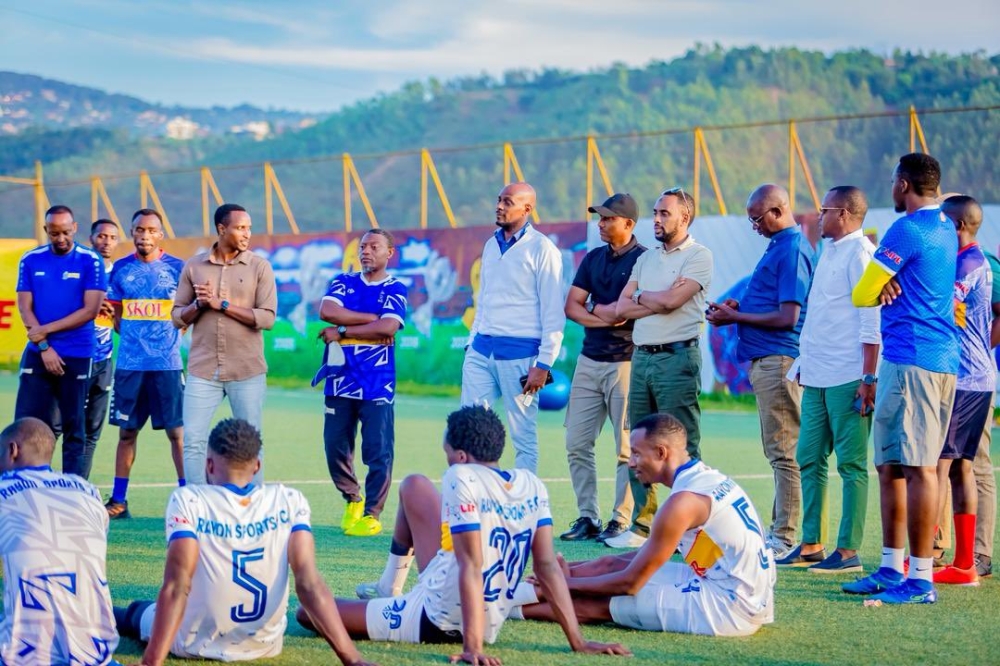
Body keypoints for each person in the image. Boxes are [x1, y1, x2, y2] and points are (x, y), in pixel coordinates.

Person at [312, 406, 630, 664]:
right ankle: (388, 586)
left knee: (311, 611)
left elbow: (471, 566)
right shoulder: (530, 483)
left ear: (462, 456)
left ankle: (402, 604)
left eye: (447, 451)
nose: (447, 458)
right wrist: (578, 641)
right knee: (414, 485)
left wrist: (472, 647)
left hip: (440, 618)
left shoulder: (459, 476)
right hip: (470, 597)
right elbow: (546, 567)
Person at [114, 418, 376, 666]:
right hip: (264, 645)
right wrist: (352, 659)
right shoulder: (289, 500)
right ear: (257, 467)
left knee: (137, 611)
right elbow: (309, 584)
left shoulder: (188, 500)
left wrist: (151, 662)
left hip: (192, 643)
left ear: (209, 465)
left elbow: (177, 586)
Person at [519, 413, 776, 638]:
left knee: (599, 604)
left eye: (637, 453)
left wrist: (561, 584)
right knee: (608, 564)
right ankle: (512, 591)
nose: (631, 463)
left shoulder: (682, 503)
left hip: (732, 607)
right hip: (735, 585)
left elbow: (629, 584)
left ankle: (502, 607)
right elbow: (642, 559)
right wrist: (562, 572)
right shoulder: (707, 478)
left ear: (661, 453)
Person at [847, 152, 958, 604]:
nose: (891, 189)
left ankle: (921, 578)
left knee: (917, 467)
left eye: (894, 182)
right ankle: (892, 568)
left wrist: (880, 285)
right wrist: (885, 283)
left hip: (916, 361)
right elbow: (876, 287)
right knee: (890, 465)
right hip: (907, 358)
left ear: (904, 185)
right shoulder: (946, 226)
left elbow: (861, 292)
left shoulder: (907, 228)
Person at [707, 184, 815, 559]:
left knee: (784, 451)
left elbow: (789, 316)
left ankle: (785, 536)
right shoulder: (779, 246)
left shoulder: (793, 248)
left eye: (757, 218)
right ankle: (792, 532)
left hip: (779, 358)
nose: (753, 226)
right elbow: (772, 302)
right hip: (767, 359)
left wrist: (736, 315)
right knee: (781, 450)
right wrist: (740, 306)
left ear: (777, 211)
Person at [777, 186, 879, 573]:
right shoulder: (829, 251)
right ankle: (811, 543)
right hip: (817, 372)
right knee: (808, 457)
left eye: (825, 210)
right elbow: (822, 314)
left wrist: (868, 377)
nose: (818, 216)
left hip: (849, 375)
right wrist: (804, 360)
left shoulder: (861, 253)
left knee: (851, 464)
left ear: (846, 214)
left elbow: (871, 320)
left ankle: (849, 551)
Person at [611, 187, 714, 549]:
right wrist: (649, 300)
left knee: (683, 441)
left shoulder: (699, 256)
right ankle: (643, 526)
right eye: (654, 212)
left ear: (684, 217)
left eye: (664, 213)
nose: (656, 219)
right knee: (639, 440)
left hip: (677, 358)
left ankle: (693, 529)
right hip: (642, 358)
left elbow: (673, 302)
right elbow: (622, 308)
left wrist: (646, 299)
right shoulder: (646, 259)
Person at [461, 182, 565, 473]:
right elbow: (483, 298)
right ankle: (474, 497)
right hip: (481, 351)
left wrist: (544, 364)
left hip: (521, 356)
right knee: (470, 428)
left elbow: (553, 311)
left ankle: (524, 506)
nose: (499, 206)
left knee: (523, 437)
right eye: (498, 200)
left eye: (508, 202)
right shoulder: (490, 244)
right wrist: (472, 341)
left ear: (527, 209)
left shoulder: (543, 249)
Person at [560, 193, 645, 543]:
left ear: (628, 223)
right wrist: (602, 316)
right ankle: (587, 517)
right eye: (600, 218)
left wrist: (599, 311)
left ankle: (620, 520)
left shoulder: (645, 261)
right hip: (589, 360)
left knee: (626, 449)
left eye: (608, 218)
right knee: (576, 442)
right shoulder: (593, 258)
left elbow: (623, 312)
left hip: (626, 362)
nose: (601, 223)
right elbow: (571, 306)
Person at [172, 203, 277, 485]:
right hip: (203, 370)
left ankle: (252, 505)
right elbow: (176, 317)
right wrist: (199, 305)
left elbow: (267, 319)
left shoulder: (259, 267)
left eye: (249, 228)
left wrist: (222, 305)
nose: (247, 234)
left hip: (247, 370)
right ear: (222, 229)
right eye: (241, 228)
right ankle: (196, 505)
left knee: (252, 441)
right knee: (193, 439)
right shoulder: (193, 266)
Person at [0, 417, 119, 665]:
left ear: (12, 450)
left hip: (24, 655)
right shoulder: (87, 490)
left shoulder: (3, 489)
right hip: (95, 653)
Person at [315, 228, 407, 537]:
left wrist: (341, 332)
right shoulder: (343, 281)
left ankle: (372, 513)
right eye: (363, 246)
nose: (365, 251)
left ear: (388, 253)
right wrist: (371, 319)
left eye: (374, 246)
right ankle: (352, 498)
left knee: (378, 449)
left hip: (377, 381)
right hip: (340, 378)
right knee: (335, 446)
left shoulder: (397, 288)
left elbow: (390, 325)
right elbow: (327, 311)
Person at [103, 209, 187, 520]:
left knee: (177, 434)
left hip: (167, 365)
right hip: (130, 365)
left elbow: (186, 313)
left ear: (161, 234)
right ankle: (119, 499)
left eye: (151, 230)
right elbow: (115, 317)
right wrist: (136, 341)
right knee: (127, 433)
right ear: (132, 232)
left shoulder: (178, 269)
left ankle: (187, 495)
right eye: (139, 230)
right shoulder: (121, 270)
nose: (145, 235)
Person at [15, 204, 107, 478]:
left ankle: (72, 492)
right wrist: (44, 346)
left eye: (66, 232)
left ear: (75, 228)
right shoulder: (30, 260)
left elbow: (90, 311)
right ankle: (20, 487)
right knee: (25, 425)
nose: (61, 239)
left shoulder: (90, 260)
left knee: (74, 427)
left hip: (77, 354)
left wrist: (44, 331)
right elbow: (24, 309)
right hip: (38, 354)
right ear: (46, 231)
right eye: (54, 233)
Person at [930, 195, 994, 586]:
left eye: (941, 225)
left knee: (938, 466)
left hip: (966, 379)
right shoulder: (976, 260)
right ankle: (965, 562)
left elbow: (942, 314)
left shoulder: (966, 265)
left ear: (956, 227)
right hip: (979, 377)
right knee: (960, 469)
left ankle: (926, 561)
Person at [86, 218, 120, 458]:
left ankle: (78, 487)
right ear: (91, 238)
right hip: (74, 356)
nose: (106, 242)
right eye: (101, 236)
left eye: (112, 237)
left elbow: (122, 324)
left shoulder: (120, 275)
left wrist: (113, 312)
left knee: (92, 431)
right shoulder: (79, 269)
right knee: (61, 426)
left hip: (103, 359)